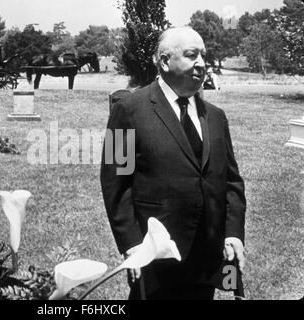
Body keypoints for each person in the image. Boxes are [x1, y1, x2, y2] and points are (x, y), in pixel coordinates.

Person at [100, 27, 246, 300]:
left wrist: (233, 232)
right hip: (156, 256)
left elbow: (231, 181)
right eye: (191, 55)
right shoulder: (128, 111)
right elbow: (115, 184)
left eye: (203, 55)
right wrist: (131, 243)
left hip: (207, 256)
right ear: (165, 61)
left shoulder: (216, 117)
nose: (201, 63)